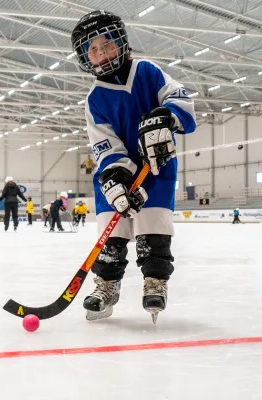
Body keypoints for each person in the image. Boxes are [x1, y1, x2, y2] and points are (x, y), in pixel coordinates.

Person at [71, 10, 196, 322]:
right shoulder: (94, 98)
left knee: (154, 232)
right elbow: (104, 142)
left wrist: (167, 115)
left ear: (121, 42)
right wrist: (117, 174)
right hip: (119, 174)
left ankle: (155, 281)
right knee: (111, 234)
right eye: (94, 49)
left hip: (156, 169)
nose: (101, 53)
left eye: (107, 44)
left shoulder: (147, 71)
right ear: (86, 58)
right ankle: (106, 285)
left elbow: (180, 99)